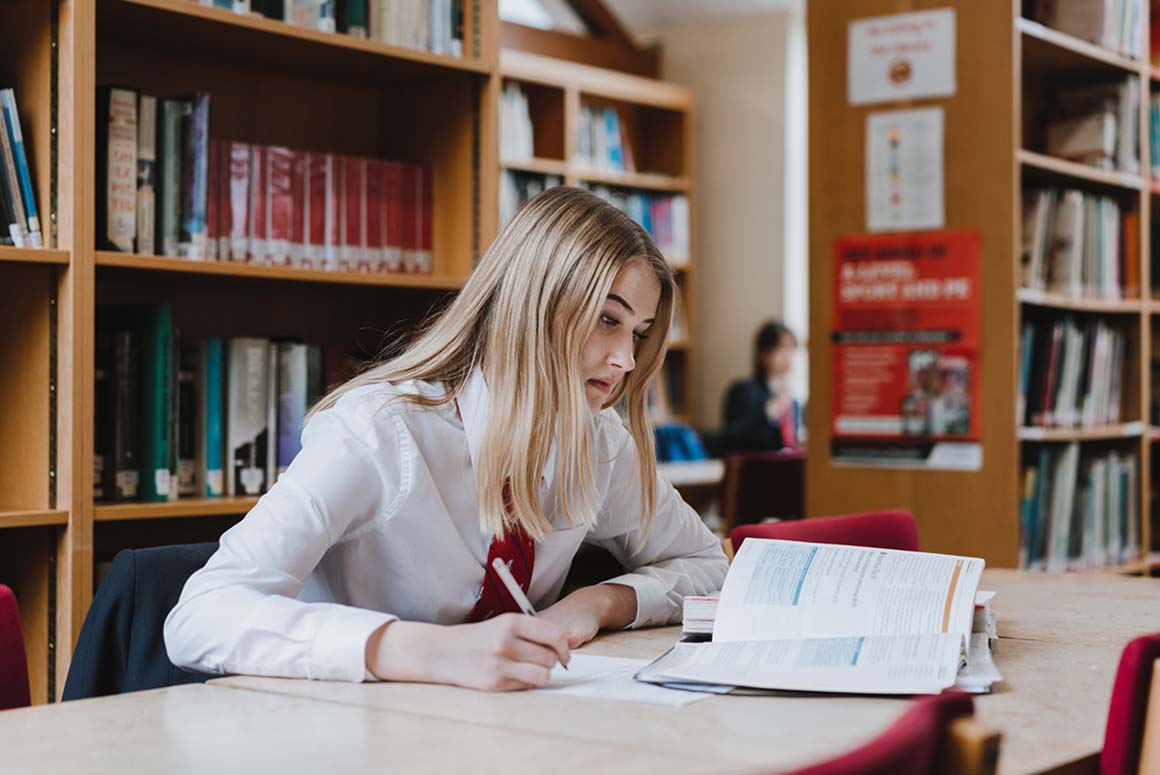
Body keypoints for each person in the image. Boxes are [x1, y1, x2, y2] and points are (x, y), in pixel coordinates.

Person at [163, 187, 728, 692]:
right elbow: (201, 616)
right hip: (343, 734)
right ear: (531, 307)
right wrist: (421, 649)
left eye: (640, 334)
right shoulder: (379, 432)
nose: (625, 359)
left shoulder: (596, 442)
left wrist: (599, 602)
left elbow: (709, 564)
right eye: (608, 320)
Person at [721, 320, 803, 452]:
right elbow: (730, 440)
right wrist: (767, 414)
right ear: (764, 353)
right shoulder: (743, 392)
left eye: (792, 350)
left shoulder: (793, 403)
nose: (788, 358)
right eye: (782, 349)